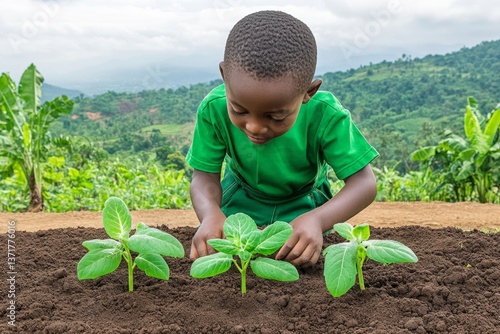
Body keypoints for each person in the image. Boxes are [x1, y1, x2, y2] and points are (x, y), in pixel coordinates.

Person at [186, 10, 378, 267]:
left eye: (276, 117)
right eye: (239, 110)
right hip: (237, 207)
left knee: (300, 257)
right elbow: (204, 177)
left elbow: (364, 183)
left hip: (305, 207)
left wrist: (317, 221)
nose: (254, 127)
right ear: (224, 76)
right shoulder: (213, 109)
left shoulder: (326, 115)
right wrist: (211, 215)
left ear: (308, 92)